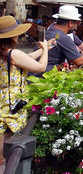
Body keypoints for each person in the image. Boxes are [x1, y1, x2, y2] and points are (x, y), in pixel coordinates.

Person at [0, 15, 50, 164]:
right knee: (4, 156)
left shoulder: (5, 53)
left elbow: (24, 58)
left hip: (2, 102)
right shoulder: (13, 53)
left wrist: (42, 50)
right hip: (10, 105)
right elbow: (41, 67)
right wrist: (46, 49)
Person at [44, 5, 83, 72]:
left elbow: (79, 43)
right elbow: (79, 60)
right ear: (70, 23)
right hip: (46, 76)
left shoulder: (52, 31)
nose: (76, 27)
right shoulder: (64, 37)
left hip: (37, 73)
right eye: (76, 23)